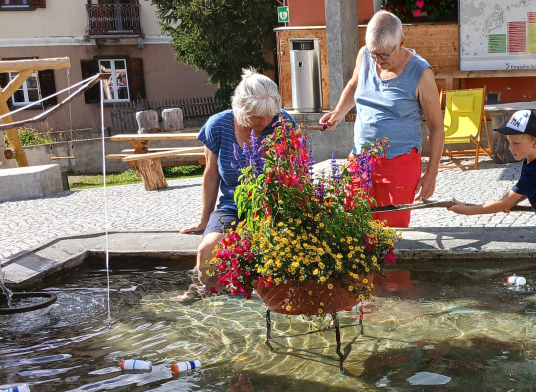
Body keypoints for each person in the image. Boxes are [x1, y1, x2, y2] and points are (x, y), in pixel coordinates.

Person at [175, 68, 295, 302]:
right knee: (206, 249)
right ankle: (204, 294)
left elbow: (294, 173)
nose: (264, 121)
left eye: (269, 114)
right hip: (232, 206)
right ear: (240, 109)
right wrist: (203, 220)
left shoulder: (283, 123)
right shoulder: (218, 126)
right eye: (257, 116)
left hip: (272, 207)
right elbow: (211, 175)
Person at [319, 10, 445, 227]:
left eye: (384, 55)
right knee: (353, 226)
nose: (378, 60)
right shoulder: (365, 56)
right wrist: (337, 113)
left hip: (399, 162)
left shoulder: (421, 73)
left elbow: (436, 128)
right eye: (373, 53)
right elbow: (354, 85)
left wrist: (431, 173)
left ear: (402, 42)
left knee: (391, 231)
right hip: (360, 158)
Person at [448, 111, 536, 227]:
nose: (510, 147)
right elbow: (528, 189)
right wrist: (513, 201)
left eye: (515, 142)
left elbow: (502, 204)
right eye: (509, 141)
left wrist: (466, 210)